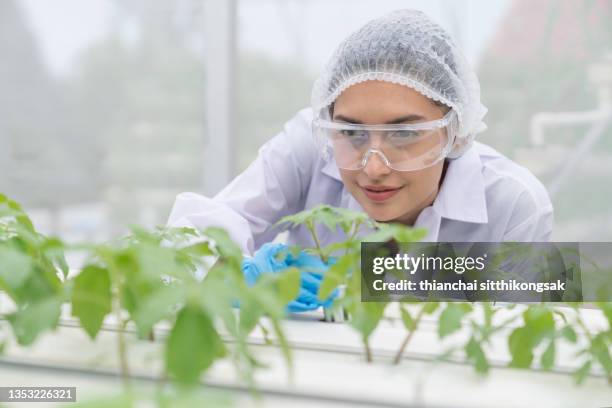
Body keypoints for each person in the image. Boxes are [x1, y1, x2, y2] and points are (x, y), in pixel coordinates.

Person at [167, 9, 553, 311]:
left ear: (456, 130)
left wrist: (371, 286)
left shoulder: (513, 204)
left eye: (404, 135)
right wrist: (239, 274)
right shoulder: (310, 146)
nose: (373, 168)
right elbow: (189, 241)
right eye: (352, 133)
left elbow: (521, 345)